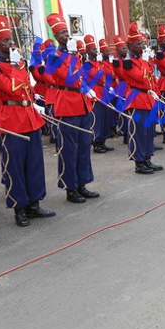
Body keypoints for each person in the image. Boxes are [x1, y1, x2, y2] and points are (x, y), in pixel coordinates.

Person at [0, 14, 56, 227]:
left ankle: (34, 203)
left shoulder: (19, 62)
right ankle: (19, 207)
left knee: (34, 163)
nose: (10, 44)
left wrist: (35, 102)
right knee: (14, 165)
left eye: (10, 40)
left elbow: (26, 88)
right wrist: (16, 67)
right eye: (5, 41)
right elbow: (11, 89)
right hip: (11, 119)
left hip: (29, 117)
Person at [43, 13, 99, 202]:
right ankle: (70, 187)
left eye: (67, 32)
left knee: (83, 146)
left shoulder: (72, 54)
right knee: (69, 149)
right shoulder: (53, 56)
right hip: (66, 104)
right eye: (62, 33)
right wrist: (72, 55)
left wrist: (88, 88)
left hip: (81, 103)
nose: (67, 36)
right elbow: (68, 77)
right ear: (56, 36)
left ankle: (82, 183)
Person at [121, 23, 163, 175]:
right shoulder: (127, 62)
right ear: (130, 46)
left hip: (148, 97)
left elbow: (150, 79)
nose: (141, 46)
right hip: (136, 98)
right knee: (139, 131)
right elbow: (139, 77)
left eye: (142, 43)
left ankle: (147, 158)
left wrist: (155, 92)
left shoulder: (142, 59)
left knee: (149, 130)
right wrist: (146, 62)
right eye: (138, 44)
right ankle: (139, 162)